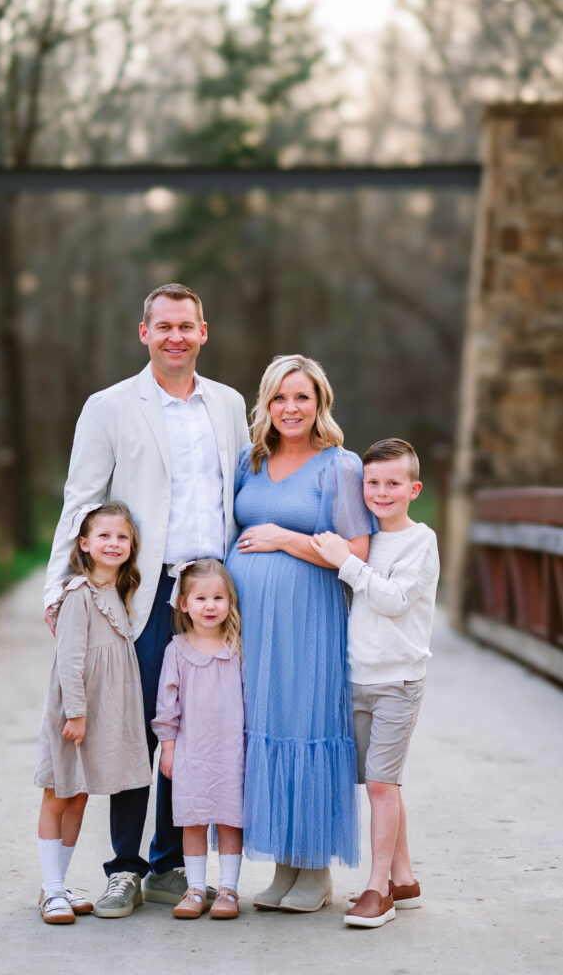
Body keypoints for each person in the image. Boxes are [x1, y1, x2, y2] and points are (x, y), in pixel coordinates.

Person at [44, 284, 249, 918]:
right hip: (140, 590)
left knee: (194, 728)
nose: (175, 337)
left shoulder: (228, 404)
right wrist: (59, 587)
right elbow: (81, 500)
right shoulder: (109, 406)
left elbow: (242, 490)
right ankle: (124, 867)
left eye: (186, 326)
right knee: (133, 730)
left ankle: (169, 864)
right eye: (163, 327)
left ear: (203, 332)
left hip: (208, 592)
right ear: (145, 333)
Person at [225, 354, 377, 913]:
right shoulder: (250, 461)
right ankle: (284, 864)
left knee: (306, 725)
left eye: (302, 398)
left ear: (320, 404)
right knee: (266, 728)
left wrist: (284, 539)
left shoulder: (340, 466)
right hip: (252, 623)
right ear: (266, 404)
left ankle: (315, 869)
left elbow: (357, 551)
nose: (291, 408)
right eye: (280, 398)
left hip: (309, 619)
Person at [311, 437, 440, 928]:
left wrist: (345, 562)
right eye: (372, 483)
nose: (381, 493)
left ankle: (377, 890)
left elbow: (393, 600)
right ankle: (403, 880)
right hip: (355, 677)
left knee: (382, 785)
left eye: (393, 484)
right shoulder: (362, 537)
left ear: (413, 489)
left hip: (397, 681)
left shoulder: (420, 541)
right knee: (382, 783)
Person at [34, 501, 152, 924]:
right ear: (84, 544)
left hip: (98, 712)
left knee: (79, 796)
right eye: (104, 535)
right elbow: (70, 659)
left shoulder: (119, 592)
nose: (114, 543)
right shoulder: (78, 594)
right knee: (58, 792)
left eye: (122, 536)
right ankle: (51, 890)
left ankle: (58, 884)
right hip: (74, 710)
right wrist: (77, 713)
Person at [152, 559, 244, 920]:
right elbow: (167, 704)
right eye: (201, 598)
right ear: (184, 603)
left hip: (231, 750)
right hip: (193, 751)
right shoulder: (177, 649)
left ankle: (228, 889)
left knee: (229, 818)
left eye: (218, 598)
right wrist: (168, 748)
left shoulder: (236, 647)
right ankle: (194, 888)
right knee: (194, 819)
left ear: (230, 602)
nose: (210, 606)